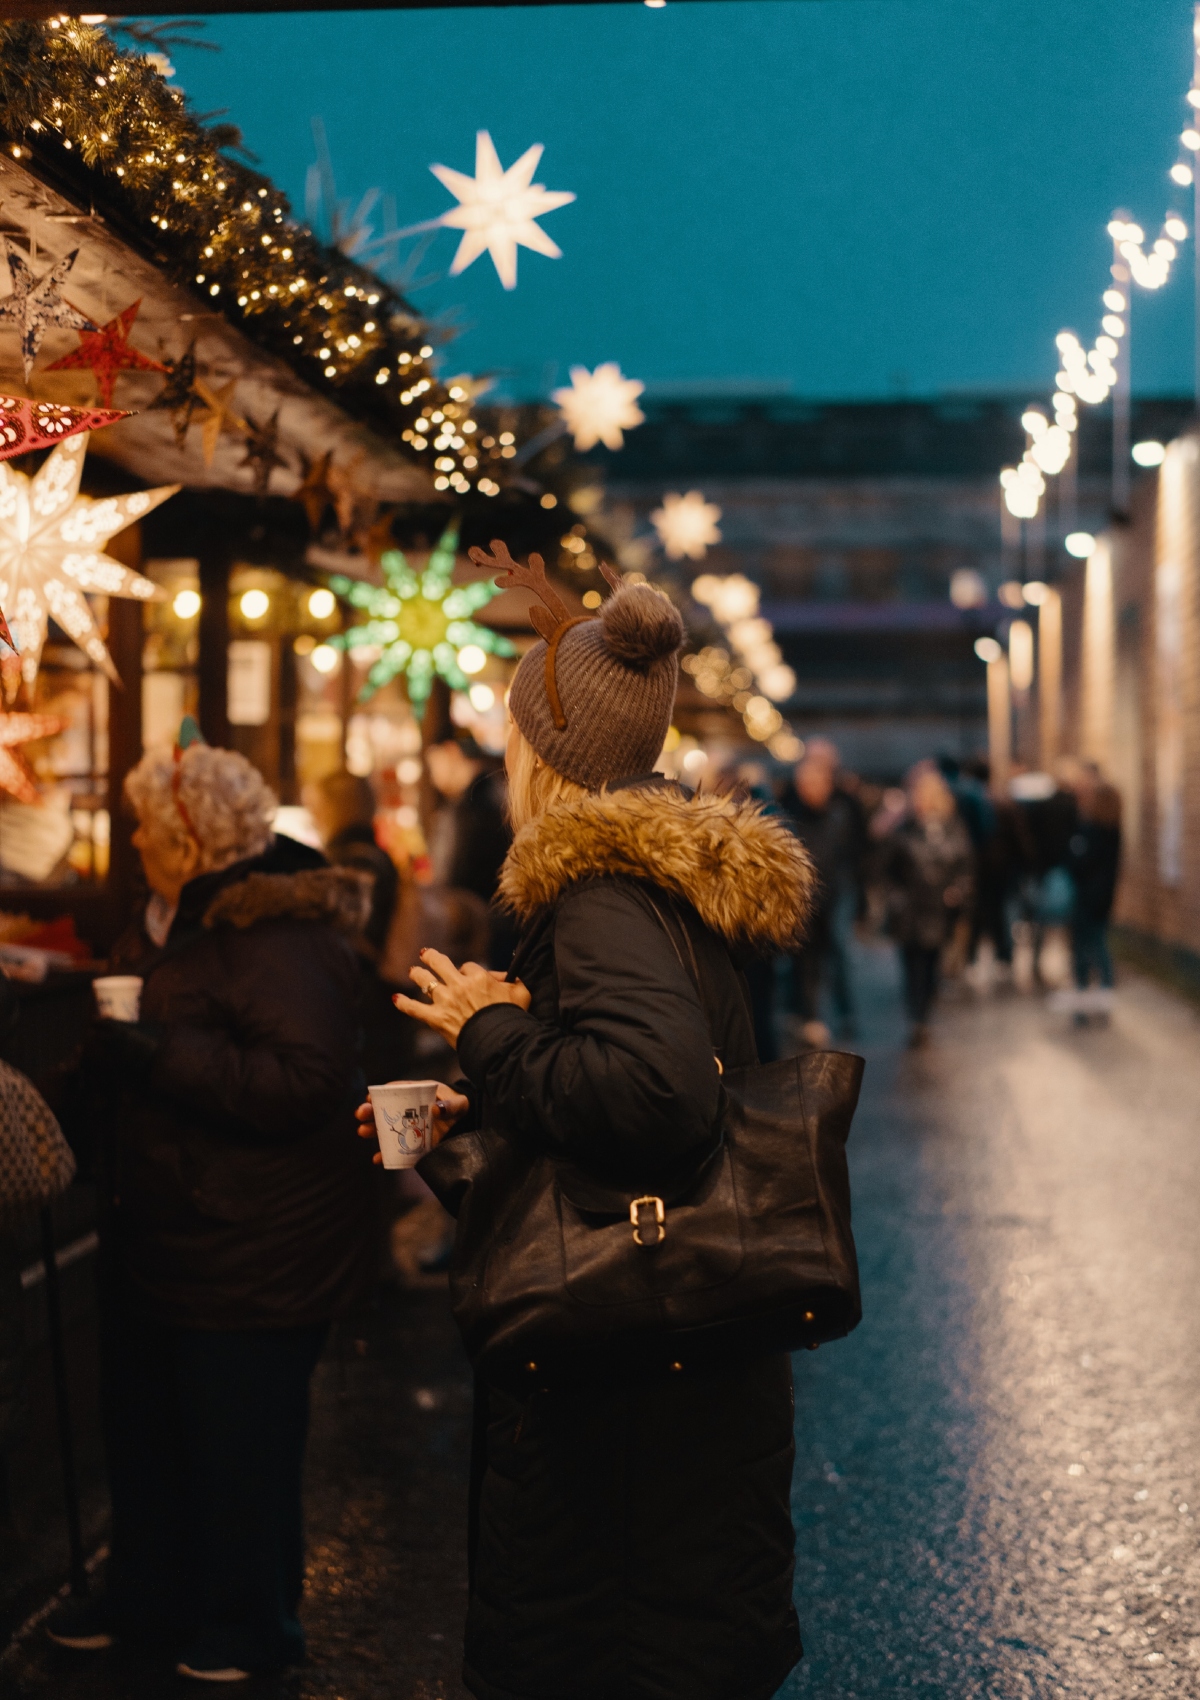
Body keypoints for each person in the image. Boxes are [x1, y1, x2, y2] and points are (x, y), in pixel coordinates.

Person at [360, 569, 815, 1700]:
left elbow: (659, 1098)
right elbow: (625, 1085)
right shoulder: (654, 879)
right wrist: (492, 1101)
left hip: (622, 1404)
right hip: (676, 1383)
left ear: (543, 751)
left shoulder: (599, 885)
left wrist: (491, 1029)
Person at [48, 733, 376, 1683]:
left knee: (241, 1448)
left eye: (148, 824)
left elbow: (304, 1082)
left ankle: (252, 1624)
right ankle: (150, 1600)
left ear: (189, 839)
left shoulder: (281, 934)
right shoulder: (163, 922)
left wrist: (157, 1055)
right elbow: (131, 1046)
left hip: (256, 1246)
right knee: (147, 1431)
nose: (135, 839)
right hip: (165, 1231)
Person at [884, 763, 974, 1047]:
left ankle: (923, 1013)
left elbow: (966, 865)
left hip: (938, 910)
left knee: (931, 964)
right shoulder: (904, 829)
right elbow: (887, 867)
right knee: (912, 966)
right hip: (910, 909)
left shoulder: (952, 828)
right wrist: (895, 898)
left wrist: (958, 891)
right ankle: (916, 1017)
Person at [781, 748, 856, 1046]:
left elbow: (853, 853)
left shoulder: (841, 813)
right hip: (805, 900)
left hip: (836, 894)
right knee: (806, 961)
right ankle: (810, 1016)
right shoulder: (789, 815)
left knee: (838, 956)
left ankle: (844, 1013)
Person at [1065, 771, 1121, 1010]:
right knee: (1099, 942)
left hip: (1086, 896)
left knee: (1084, 945)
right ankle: (1105, 988)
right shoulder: (1114, 830)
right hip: (1104, 896)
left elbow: (1078, 862)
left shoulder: (1090, 830)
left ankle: (1083, 988)